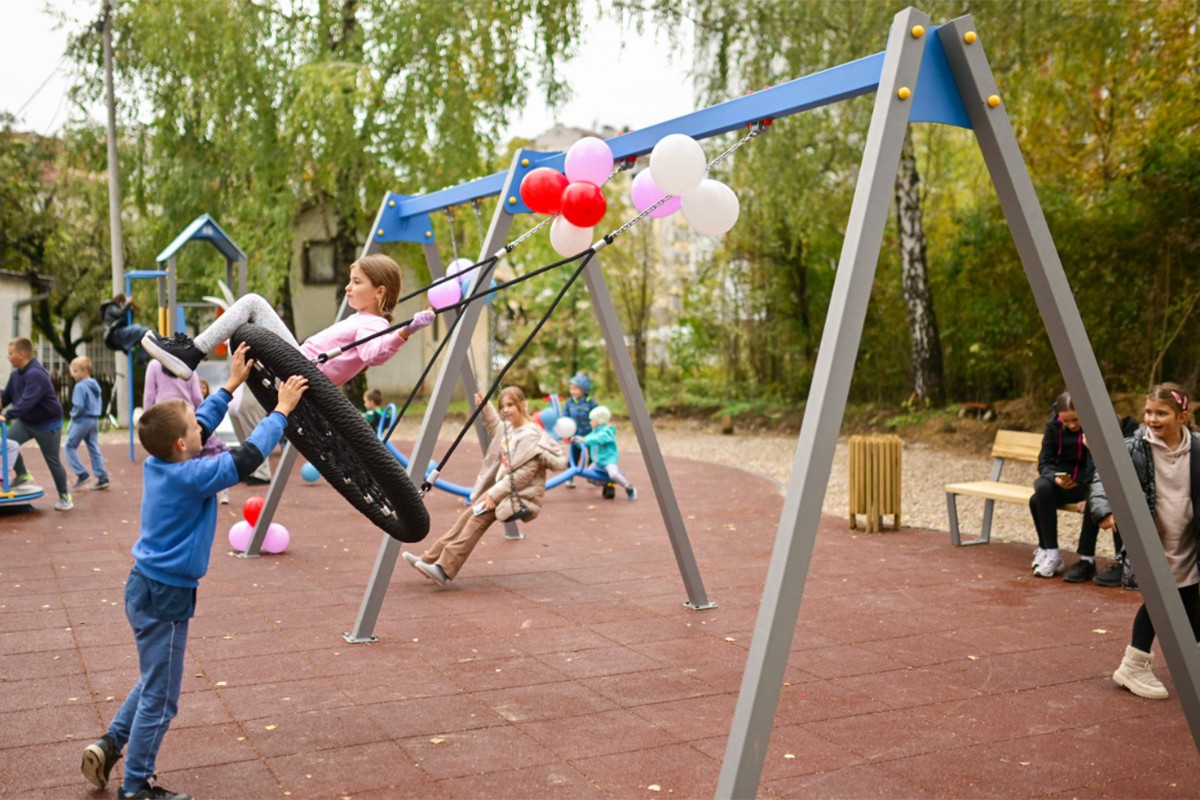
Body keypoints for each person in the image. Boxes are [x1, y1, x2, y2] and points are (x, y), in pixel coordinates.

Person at [80, 343, 307, 799]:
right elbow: (245, 459)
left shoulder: (164, 462)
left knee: (153, 679)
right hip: (164, 596)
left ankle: (111, 744)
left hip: (149, 587)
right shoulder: (193, 476)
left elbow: (199, 423)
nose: (202, 421)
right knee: (163, 699)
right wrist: (281, 411)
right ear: (183, 444)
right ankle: (137, 785)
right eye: (193, 422)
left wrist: (230, 384)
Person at [141, 254, 435, 384]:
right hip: (302, 363)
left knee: (253, 302)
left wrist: (405, 332)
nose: (348, 286)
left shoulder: (375, 325)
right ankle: (195, 351)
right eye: (350, 280)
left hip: (304, 366)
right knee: (245, 322)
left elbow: (373, 354)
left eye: (357, 282)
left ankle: (192, 352)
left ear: (379, 291)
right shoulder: (363, 319)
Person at [1090, 383, 1200, 700]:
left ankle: (1189, 660)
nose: (1152, 418)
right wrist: (1104, 510)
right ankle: (1134, 663)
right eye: (1148, 412)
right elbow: (1102, 476)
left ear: (1182, 416)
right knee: (1160, 597)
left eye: (1161, 413)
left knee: (1189, 593)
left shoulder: (1197, 448)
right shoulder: (1134, 447)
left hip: (1186, 537)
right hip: (1153, 537)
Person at [401, 387, 566, 585]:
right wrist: (485, 406)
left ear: (523, 405)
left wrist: (494, 495)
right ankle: (428, 559)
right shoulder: (511, 428)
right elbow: (496, 428)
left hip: (516, 493)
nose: (505, 410)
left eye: (510, 405)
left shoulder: (530, 435)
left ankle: (443, 568)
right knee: (465, 519)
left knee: (474, 523)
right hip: (503, 489)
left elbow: (521, 475)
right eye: (502, 406)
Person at [1029, 391, 1100, 579]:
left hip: (1087, 486)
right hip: (1063, 484)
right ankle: (1052, 552)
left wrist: (1088, 495)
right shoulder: (1053, 427)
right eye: (1066, 421)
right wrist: (1055, 478)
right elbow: (1044, 462)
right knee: (1039, 493)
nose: (1072, 425)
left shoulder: (1094, 428)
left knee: (1094, 504)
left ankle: (1086, 560)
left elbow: (1099, 466)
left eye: (1076, 420)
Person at [145, 363, 232, 504]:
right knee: (192, 459)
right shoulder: (187, 365)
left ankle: (172, 495)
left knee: (167, 460)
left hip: (163, 421)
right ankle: (195, 494)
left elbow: (149, 396)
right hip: (186, 418)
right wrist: (202, 422)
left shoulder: (154, 365)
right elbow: (197, 397)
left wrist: (148, 424)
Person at [0, 338, 71, 510]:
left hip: (48, 424)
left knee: (52, 460)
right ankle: (23, 474)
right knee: (6, 443)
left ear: (21, 355)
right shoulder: (16, 374)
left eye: (11, 354)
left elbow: (27, 401)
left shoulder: (36, 375)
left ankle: (64, 496)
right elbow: (7, 396)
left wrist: (7, 415)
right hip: (26, 421)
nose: (8, 357)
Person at [65, 356, 111, 491]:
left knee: (69, 446)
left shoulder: (80, 386)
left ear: (85, 371)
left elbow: (79, 406)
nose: (73, 374)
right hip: (94, 420)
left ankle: (82, 474)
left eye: (75, 371)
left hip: (82, 420)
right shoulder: (95, 384)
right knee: (93, 447)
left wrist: (72, 415)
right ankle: (102, 477)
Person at [575, 405, 637, 500]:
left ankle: (628, 487)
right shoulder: (594, 432)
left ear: (599, 421)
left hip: (609, 460)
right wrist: (578, 443)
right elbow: (588, 439)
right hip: (598, 461)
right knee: (588, 475)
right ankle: (607, 482)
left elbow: (597, 439)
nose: (590, 422)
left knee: (613, 474)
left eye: (592, 420)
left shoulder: (607, 432)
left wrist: (584, 440)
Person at [562, 372, 596, 488]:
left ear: (584, 389)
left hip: (589, 434)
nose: (573, 391)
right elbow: (565, 417)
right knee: (574, 456)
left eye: (576, 389)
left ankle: (593, 476)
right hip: (575, 435)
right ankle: (570, 477)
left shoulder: (591, 402)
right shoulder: (569, 402)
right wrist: (566, 431)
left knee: (593, 456)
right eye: (571, 389)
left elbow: (597, 415)